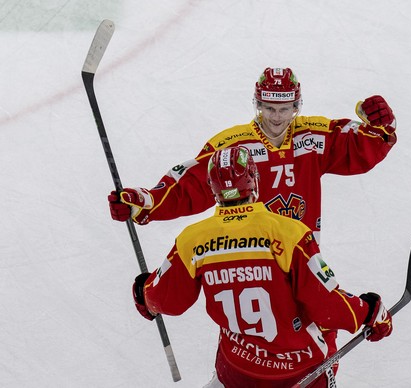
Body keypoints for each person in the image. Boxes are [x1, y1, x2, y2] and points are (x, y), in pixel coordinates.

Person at [132, 146, 393, 387]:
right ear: (254, 181)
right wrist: (368, 311)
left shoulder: (193, 238)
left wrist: (145, 293)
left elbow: (167, 298)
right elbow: (327, 306)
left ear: (213, 189)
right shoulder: (289, 233)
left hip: (237, 369)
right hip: (299, 372)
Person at [109, 67, 397, 243]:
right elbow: (191, 186)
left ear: (296, 106)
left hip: (303, 254)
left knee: (312, 328)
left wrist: (381, 124)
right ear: (257, 105)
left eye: (285, 109)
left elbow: (363, 148)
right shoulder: (234, 145)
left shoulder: (313, 136)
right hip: (248, 257)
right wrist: (144, 202)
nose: (276, 117)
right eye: (269, 108)